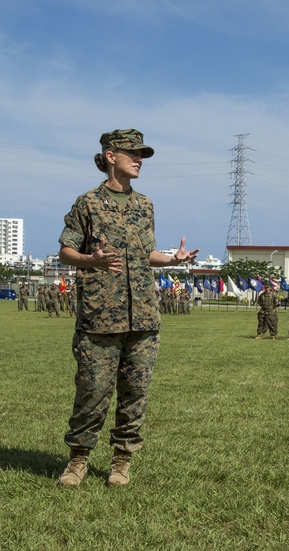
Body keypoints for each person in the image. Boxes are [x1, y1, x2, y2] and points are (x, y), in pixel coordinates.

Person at [57, 129, 198, 488]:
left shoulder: (145, 205)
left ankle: (121, 461)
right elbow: (66, 251)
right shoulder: (87, 203)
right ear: (110, 156)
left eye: (141, 155)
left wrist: (170, 260)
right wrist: (93, 260)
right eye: (132, 153)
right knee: (92, 390)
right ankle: (78, 460)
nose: (138, 160)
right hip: (100, 316)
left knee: (135, 392)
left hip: (144, 318)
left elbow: (145, 253)